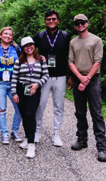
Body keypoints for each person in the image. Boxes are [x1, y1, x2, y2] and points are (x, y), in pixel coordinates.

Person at [68, 14, 106, 162]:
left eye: (82, 22)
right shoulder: (73, 42)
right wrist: (79, 78)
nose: (80, 25)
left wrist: (87, 79)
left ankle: (102, 147)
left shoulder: (96, 40)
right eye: (77, 23)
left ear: (87, 23)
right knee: (80, 112)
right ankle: (82, 139)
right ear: (74, 25)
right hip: (79, 78)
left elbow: (98, 62)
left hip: (92, 80)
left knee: (96, 113)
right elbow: (71, 62)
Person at [32, 9, 72, 147]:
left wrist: (71, 76)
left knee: (58, 106)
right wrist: (37, 58)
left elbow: (72, 56)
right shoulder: (40, 36)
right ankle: (37, 131)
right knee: (40, 104)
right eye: (48, 19)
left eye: (54, 19)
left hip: (60, 75)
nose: (51, 21)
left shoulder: (66, 36)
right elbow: (28, 50)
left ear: (58, 20)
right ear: (45, 21)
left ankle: (56, 134)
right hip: (43, 76)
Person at [11, 37, 49, 158]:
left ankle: (31, 144)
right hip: (21, 90)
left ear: (34, 46)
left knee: (29, 114)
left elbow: (46, 75)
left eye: (31, 45)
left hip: (34, 90)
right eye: (26, 45)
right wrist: (14, 93)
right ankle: (28, 138)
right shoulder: (19, 61)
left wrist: (38, 84)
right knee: (24, 115)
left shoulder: (41, 60)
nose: (29, 47)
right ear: (23, 48)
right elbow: (14, 78)